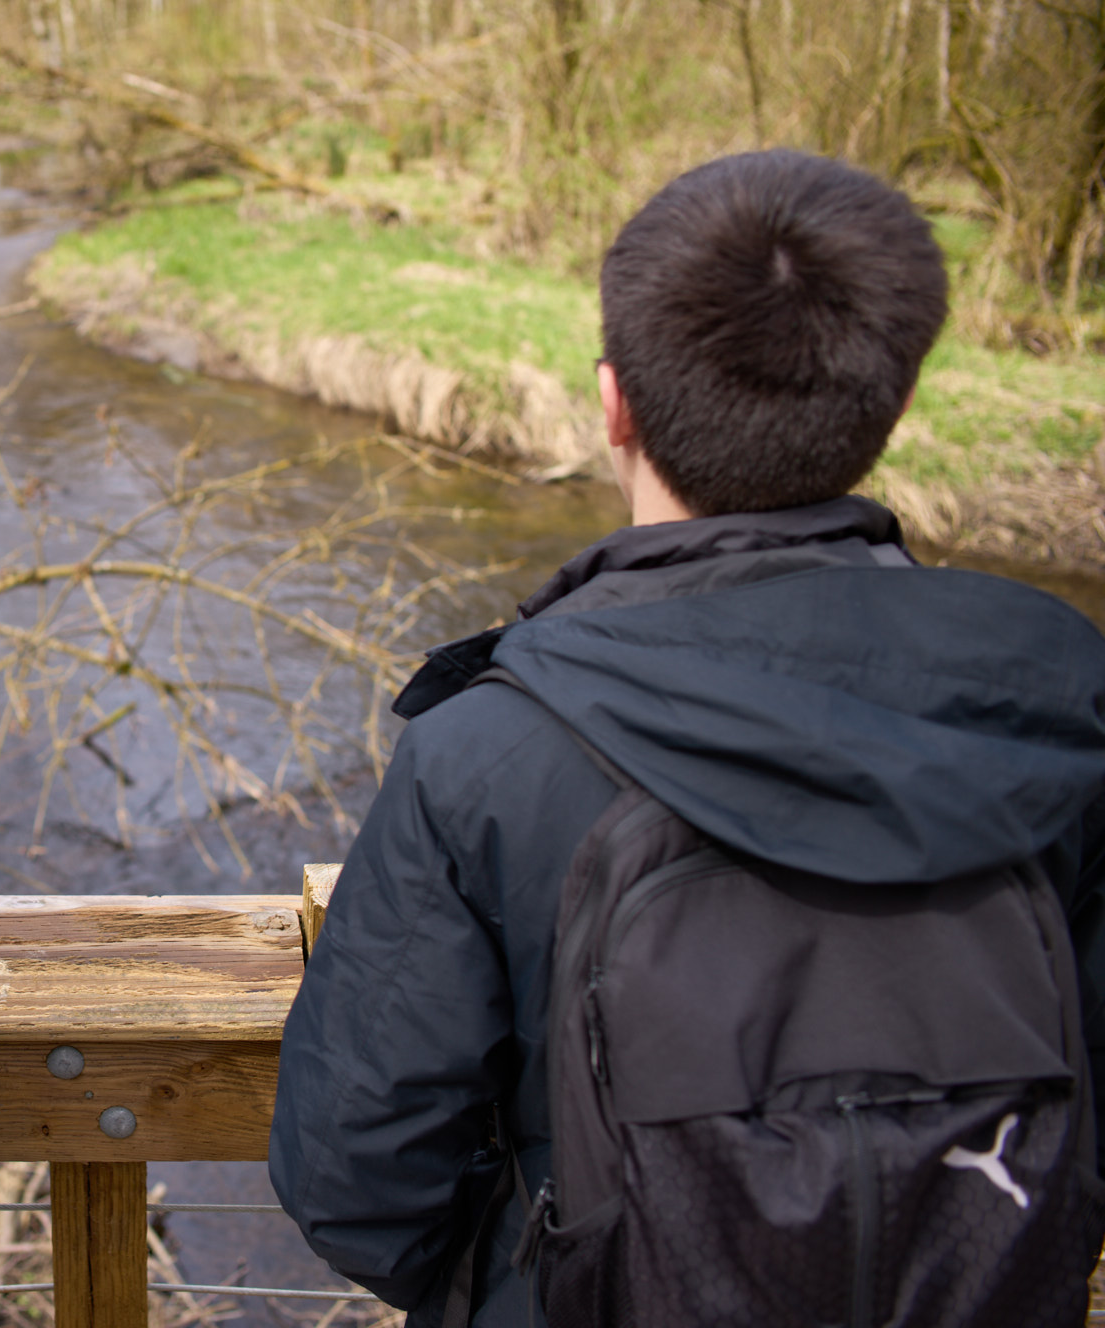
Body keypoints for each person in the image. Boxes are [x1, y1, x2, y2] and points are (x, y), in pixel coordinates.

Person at [269, 150, 1105, 1325]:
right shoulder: (1064, 702)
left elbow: (353, 1177)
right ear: (894, 402)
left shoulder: (484, 751)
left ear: (611, 401)